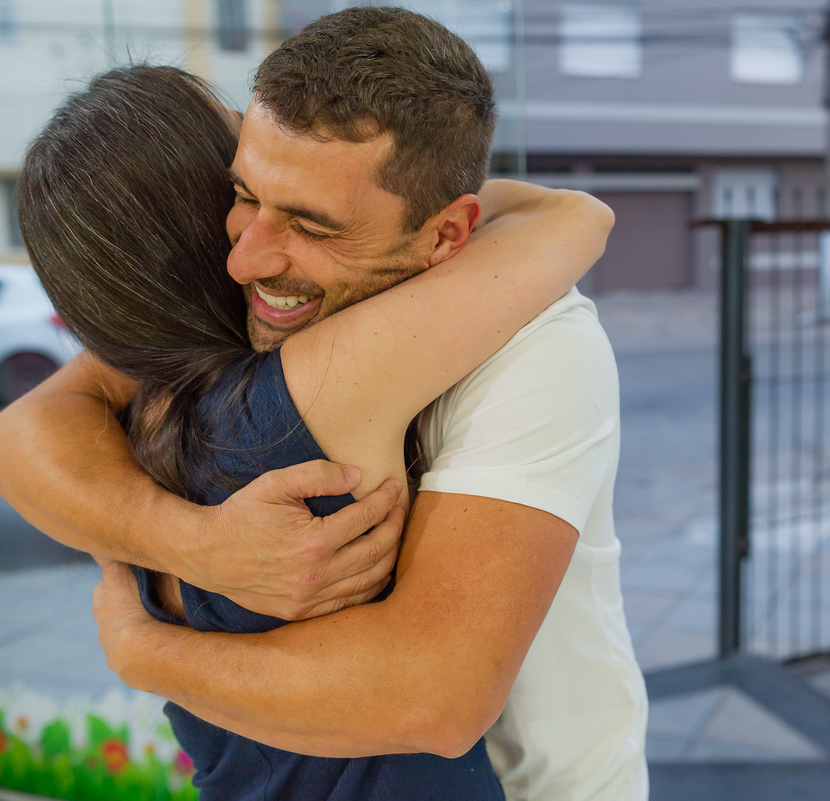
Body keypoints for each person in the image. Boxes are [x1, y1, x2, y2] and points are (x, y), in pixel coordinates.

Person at [0, 7, 649, 801]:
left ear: (447, 235)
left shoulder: (534, 343)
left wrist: (142, 641)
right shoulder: (236, 361)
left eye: (311, 223)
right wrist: (196, 546)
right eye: (240, 193)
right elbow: (17, 433)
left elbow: (436, 698)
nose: (247, 253)